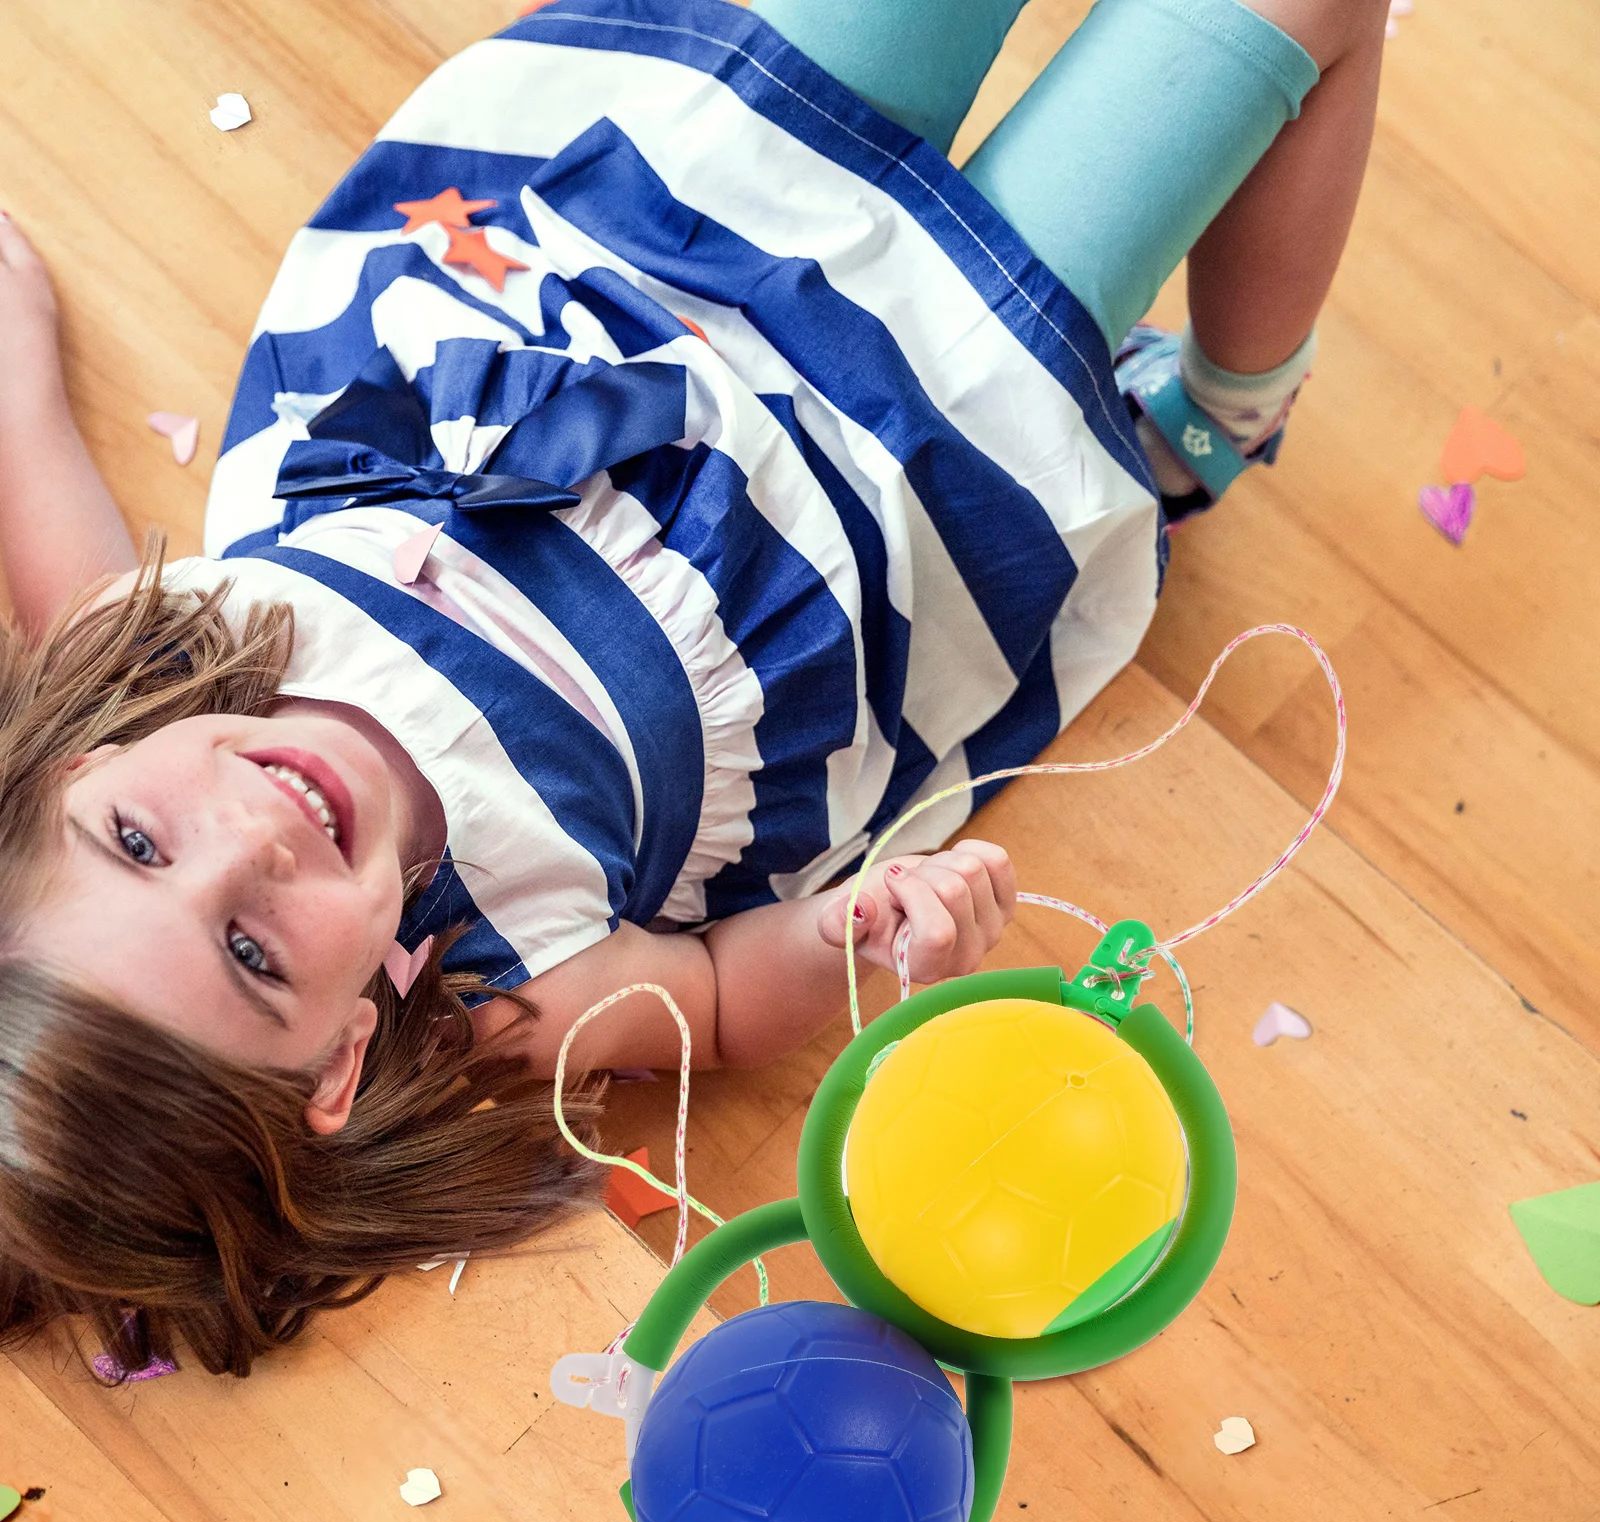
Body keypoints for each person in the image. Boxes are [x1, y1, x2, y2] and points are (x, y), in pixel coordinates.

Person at [0, 0, 1387, 1376]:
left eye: (138, 841)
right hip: (904, 466)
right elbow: (717, 1000)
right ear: (340, 1065)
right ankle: (1214, 411)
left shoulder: (142, 663)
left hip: (666, 244)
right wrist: (861, 943)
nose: (257, 836)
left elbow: (41, 481)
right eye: (255, 953)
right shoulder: (504, 990)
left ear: (72, 775)